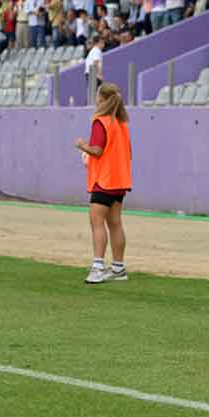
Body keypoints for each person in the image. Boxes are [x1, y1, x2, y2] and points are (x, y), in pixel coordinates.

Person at [76, 83, 132, 284]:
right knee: (115, 223)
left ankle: (97, 267)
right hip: (120, 181)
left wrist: (83, 146)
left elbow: (97, 150)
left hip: (104, 180)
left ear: (102, 99)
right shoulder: (122, 123)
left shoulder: (101, 121)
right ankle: (118, 268)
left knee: (97, 222)